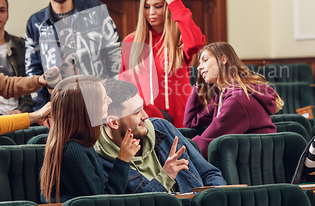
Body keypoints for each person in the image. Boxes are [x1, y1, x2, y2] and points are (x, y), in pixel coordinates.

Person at [95, 79, 227, 194]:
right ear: (113, 122)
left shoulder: (161, 127)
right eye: (136, 112)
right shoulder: (99, 160)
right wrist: (166, 176)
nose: (145, 116)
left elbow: (210, 174)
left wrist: (216, 201)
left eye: (143, 108)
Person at [26, 0, 121, 111]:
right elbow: (33, 71)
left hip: (99, 100)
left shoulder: (94, 9)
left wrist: (114, 97)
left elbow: (115, 52)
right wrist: (42, 109)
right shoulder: (35, 23)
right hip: (60, 104)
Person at [40, 75, 140, 203]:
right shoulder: (73, 150)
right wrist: (123, 160)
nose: (109, 100)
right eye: (103, 100)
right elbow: (100, 203)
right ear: (86, 110)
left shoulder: (76, 143)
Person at [120, 0, 205, 128]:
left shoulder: (179, 39)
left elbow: (196, 42)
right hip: (146, 120)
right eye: (147, 7)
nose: (151, 12)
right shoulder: (132, 41)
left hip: (181, 119)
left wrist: (175, 3)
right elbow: (124, 85)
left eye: (158, 6)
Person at [183, 42, 283, 157]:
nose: (199, 67)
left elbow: (207, 140)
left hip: (253, 166)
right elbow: (190, 122)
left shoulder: (237, 99)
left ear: (223, 60)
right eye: (199, 63)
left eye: (205, 60)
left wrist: (175, 153)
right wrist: (199, 87)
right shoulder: (223, 95)